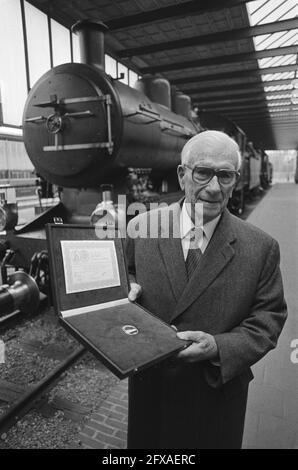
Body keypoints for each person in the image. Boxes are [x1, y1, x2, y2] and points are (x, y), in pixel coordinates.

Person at [125, 130, 287, 449]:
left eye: (225, 175)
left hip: (215, 396)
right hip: (151, 390)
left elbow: (269, 319)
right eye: (203, 172)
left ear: (236, 180)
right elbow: (127, 274)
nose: (214, 188)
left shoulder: (261, 247)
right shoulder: (141, 228)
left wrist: (218, 347)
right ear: (183, 175)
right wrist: (126, 288)